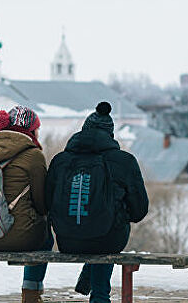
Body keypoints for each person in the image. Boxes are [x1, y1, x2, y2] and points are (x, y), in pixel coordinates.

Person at [45, 102, 149, 303]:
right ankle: (100, 296)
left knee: (97, 227)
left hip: (67, 239)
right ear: (110, 134)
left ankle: (93, 287)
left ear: (83, 130)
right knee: (105, 230)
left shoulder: (61, 160)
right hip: (108, 240)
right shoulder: (123, 161)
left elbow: (47, 203)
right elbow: (139, 211)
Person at [0, 105, 51, 303]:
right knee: (45, 236)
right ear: (30, 130)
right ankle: (31, 293)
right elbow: (42, 204)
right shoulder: (34, 156)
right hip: (21, 238)